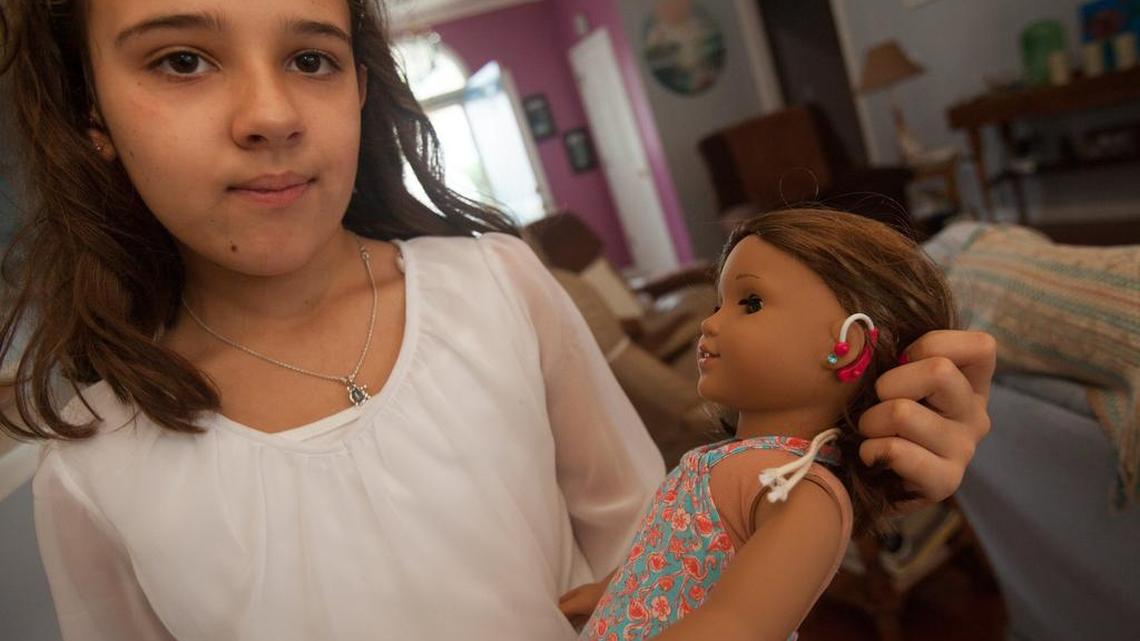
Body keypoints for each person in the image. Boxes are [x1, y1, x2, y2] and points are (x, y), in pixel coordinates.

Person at [0, 1, 996, 639]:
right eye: (181, 59)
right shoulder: (94, 465)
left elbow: (661, 563)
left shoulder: (496, 287)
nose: (271, 113)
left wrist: (839, 470)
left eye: (311, 57)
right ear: (93, 114)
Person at [568, 209, 956, 641]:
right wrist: (607, 591)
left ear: (847, 345)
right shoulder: (733, 463)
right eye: (719, 304)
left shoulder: (805, 493)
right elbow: (666, 553)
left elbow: (738, 626)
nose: (710, 322)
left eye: (749, 303)